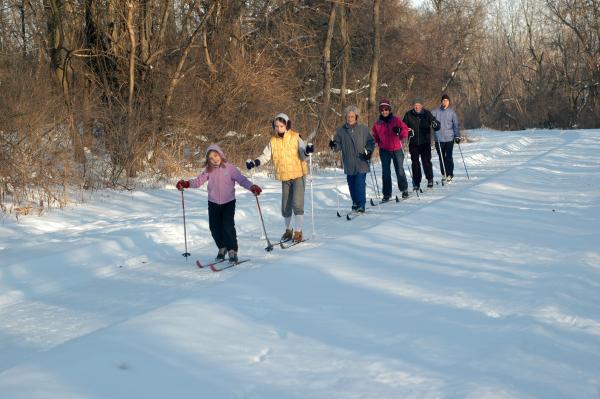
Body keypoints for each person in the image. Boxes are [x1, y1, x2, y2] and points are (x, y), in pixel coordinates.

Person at [176, 144, 262, 264]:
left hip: (229, 202)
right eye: (211, 158)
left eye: (215, 156)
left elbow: (242, 180)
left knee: (228, 226)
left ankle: (232, 250)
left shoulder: (230, 168)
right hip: (213, 203)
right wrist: (186, 184)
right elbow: (198, 181)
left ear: (220, 154)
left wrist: (252, 187)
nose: (214, 159)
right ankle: (222, 248)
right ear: (208, 160)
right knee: (214, 228)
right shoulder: (208, 170)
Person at [246, 113, 313, 244]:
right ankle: (288, 230)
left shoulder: (295, 137)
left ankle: (298, 232)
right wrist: (255, 162)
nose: (278, 128)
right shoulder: (273, 141)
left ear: (287, 125)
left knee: (297, 204)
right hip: (284, 177)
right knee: (285, 206)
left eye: (281, 126)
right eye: (276, 126)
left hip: (298, 175)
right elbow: (265, 156)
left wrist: (307, 151)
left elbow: (302, 154)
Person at [329, 105, 375, 213]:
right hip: (349, 162)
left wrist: (368, 151)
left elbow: (370, 142)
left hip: (361, 161)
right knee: (352, 184)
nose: (350, 118)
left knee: (359, 183)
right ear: (345, 117)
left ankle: (361, 205)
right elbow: (338, 145)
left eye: (352, 116)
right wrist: (333, 145)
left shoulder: (363, 129)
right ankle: (355, 203)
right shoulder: (341, 131)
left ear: (356, 116)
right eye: (348, 116)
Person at [371, 99, 410, 201]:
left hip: (397, 148)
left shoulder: (396, 120)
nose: (384, 111)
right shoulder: (377, 124)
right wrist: (373, 143)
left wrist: (400, 131)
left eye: (386, 109)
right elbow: (375, 136)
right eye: (382, 110)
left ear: (389, 109)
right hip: (384, 150)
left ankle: (404, 189)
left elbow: (405, 131)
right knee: (386, 172)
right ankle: (387, 194)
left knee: (400, 170)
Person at [402, 97, 440, 190]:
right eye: (415, 105)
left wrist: (435, 124)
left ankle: (430, 179)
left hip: (425, 142)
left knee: (426, 161)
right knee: (415, 163)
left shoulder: (427, 114)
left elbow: (435, 123)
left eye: (418, 105)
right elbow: (403, 127)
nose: (417, 107)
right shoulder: (408, 114)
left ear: (422, 105)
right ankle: (416, 182)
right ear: (413, 106)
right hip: (413, 143)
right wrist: (407, 131)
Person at [431, 93, 461, 182]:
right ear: (441, 102)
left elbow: (456, 125)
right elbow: (429, 119)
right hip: (438, 139)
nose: (445, 102)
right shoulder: (435, 112)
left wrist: (457, 136)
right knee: (441, 157)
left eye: (447, 101)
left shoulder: (452, 112)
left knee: (448, 156)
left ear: (449, 102)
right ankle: (444, 173)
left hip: (449, 138)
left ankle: (450, 174)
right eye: (444, 100)